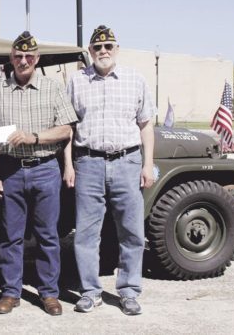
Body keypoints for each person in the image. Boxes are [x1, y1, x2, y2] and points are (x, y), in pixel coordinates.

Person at [0, 31, 78, 316]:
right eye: (18, 56)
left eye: (28, 56)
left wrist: (34, 137)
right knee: (11, 236)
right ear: (11, 58)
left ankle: (49, 293)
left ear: (37, 59)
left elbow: (66, 129)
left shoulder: (52, 88)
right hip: (10, 170)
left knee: (48, 235)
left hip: (45, 168)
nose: (23, 61)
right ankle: (11, 292)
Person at [64, 24, 155, 316]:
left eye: (108, 46)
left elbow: (146, 125)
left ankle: (129, 291)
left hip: (127, 161)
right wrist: (69, 164)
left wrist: (147, 164)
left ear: (117, 49)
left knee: (132, 231)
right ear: (90, 51)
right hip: (88, 162)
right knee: (86, 233)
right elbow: (68, 128)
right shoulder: (76, 81)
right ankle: (90, 292)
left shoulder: (135, 80)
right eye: (97, 47)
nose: (103, 51)